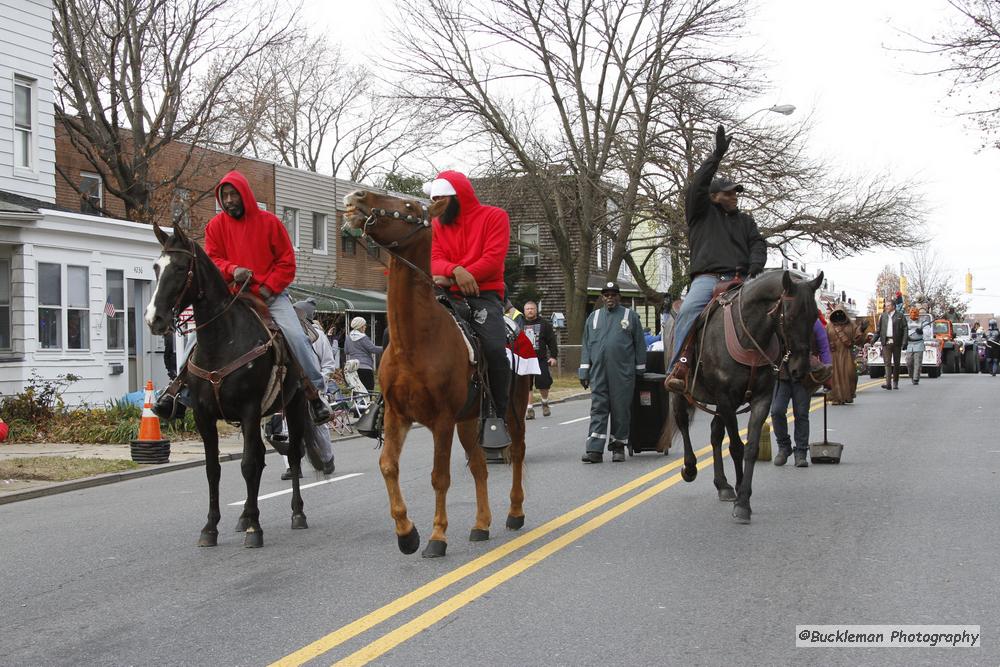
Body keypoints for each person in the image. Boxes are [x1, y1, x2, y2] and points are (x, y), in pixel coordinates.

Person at [152, 170, 331, 424]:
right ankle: (179, 391)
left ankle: (315, 394)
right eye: (224, 196)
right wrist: (232, 270)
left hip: (271, 296)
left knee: (296, 337)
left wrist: (268, 288)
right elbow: (213, 260)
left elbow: (286, 263)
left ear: (244, 194)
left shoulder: (270, 223)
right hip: (231, 296)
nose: (228, 200)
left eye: (233, 194)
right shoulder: (215, 226)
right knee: (196, 338)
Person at [664, 125, 767, 393]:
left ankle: (788, 365)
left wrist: (755, 267)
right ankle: (680, 367)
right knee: (687, 312)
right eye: (729, 193)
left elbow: (757, 243)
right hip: (707, 280)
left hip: (741, 278)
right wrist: (717, 155)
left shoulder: (746, 221)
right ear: (714, 196)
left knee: (774, 311)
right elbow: (697, 185)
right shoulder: (700, 214)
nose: (734, 197)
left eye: (736, 193)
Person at [427, 170, 512, 434]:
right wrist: (456, 271)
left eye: (442, 199)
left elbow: (493, 258)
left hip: (483, 294)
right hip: (446, 293)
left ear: (457, 196)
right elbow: (434, 260)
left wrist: (456, 274)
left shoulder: (494, 216)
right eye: (434, 199)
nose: (437, 205)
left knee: (495, 348)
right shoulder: (437, 225)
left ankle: (499, 414)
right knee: (398, 331)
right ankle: (387, 403)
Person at [578, 282, 646, 463]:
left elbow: (639, 343)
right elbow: (586, 345)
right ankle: (594, 450)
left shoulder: (629, 316)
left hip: (623, 372)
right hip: (598, 372)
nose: (609, 298)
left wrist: (640, 369)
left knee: (620, 409)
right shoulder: (593, 317)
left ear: (619, 297)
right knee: (598, 408)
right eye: (606, 295)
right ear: (602, 297)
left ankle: (618, 447)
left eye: (613, 294)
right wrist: (584, 370)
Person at [280, 300, 337, 480]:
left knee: (317, 423)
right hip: (288, 385)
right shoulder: (283, 334)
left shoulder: (318, 335)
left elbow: (328, 364)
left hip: (311, 385)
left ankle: (327, 458)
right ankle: (292, 465)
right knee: (286, 426)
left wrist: (320, 381)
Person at [772, 318, 832, 468]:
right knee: (776, 411)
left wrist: (827, 373)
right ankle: (784, 447)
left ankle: (801, 452)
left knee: (801, 414)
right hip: (782, 373)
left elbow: (824, 346)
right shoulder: (777, 318)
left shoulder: (812, 320)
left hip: (803, 375)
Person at [521, 301, 559, 420]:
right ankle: (530, 409)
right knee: (527, 385)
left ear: (536, 310)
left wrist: (553, 356)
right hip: (525, 359)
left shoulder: (544, 324)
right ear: (524, 311)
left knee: (543, 382)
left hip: (540, 359)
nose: (530, 311)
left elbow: (552, 341)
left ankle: (544, 403)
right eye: (527, 309)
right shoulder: (519, 323)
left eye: (532, 308)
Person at [826, 306, 867, 404]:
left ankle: (848, 395)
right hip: (834, 354)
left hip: (847, 353)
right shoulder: (829, 326)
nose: (839, 315)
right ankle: (836, 397)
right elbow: (824, 339)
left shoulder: (851, 325)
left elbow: (858, 340)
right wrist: (829, 345)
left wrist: (861, 330)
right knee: (835, 376)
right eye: (837, 313)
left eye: (841, 313)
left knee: (850, 374)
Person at [344, 316, 382, 392]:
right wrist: (388, 347)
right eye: (364, 325)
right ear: (360, 327)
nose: (365, 327)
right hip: (365, 368)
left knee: (356, 392)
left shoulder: (348, 337)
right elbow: (373, 349)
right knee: (368, 391)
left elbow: (346, 351)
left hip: (353, 368)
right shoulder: (363, 337)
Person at [877, 299, 906, 390]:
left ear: (893, 306)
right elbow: (878, 330)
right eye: (886, 306)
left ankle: (895, 382)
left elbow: (905, 329)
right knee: (887, 363)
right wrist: (872, 341)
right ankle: (888, 383)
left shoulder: (900, 316)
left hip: (897, 342)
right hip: (886, 342)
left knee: (896, 363)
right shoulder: (883, 316)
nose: (886, 307)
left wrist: (904, 342)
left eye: (888, 305)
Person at [904, 307, 931, 386]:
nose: (913, 314)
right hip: (909, 343)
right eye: (911, 312)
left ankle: (916, 378)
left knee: (917, 362)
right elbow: (903, 331)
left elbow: (928, 333)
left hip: (919, 343)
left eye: (915, 312)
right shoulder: (906, 322)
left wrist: (922, 332)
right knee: (909, 361)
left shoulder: (923, 322)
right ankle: (911, 376)